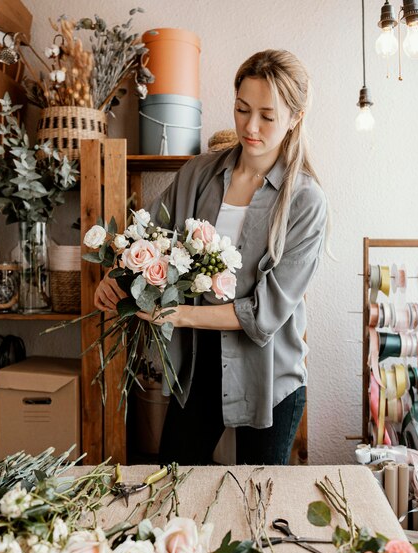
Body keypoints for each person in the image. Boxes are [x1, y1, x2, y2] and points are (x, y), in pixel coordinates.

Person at [94, 49, 327, 465]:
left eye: (267, 116)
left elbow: (263, 315)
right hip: (198, 366)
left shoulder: (306, 201)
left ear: (296, 117)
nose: (250, 127)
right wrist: (116, 277)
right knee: (173, 488)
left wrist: (178, 314)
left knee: (256, 503)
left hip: (271, 379)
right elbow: (150, 237)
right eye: (242, 109)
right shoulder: (199, 173)